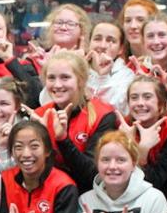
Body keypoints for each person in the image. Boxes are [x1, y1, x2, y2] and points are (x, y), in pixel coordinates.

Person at [34, 50, 117, 187]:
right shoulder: (40, 115)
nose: (57, 85)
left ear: (81, 80)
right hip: (49, 194)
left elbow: (93, 175)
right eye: (51, 78)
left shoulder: (103, 115)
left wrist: (63, 140)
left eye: (65, 77)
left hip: (88, 194)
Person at [118, 77, 167, 202]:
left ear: (161, 104)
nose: (140, 103)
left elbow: (155, 183)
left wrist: (141, 152)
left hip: (163, 199)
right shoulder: (121, 128)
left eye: (147, 97)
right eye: (134, 97)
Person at [86, 20, 135, 112]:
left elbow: (114, 111)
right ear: (89, 43)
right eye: (97, 39)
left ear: (121, 49)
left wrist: (103, 77)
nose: (103, 45)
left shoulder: (127, 76)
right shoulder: (77, 70)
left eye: (111, 40)